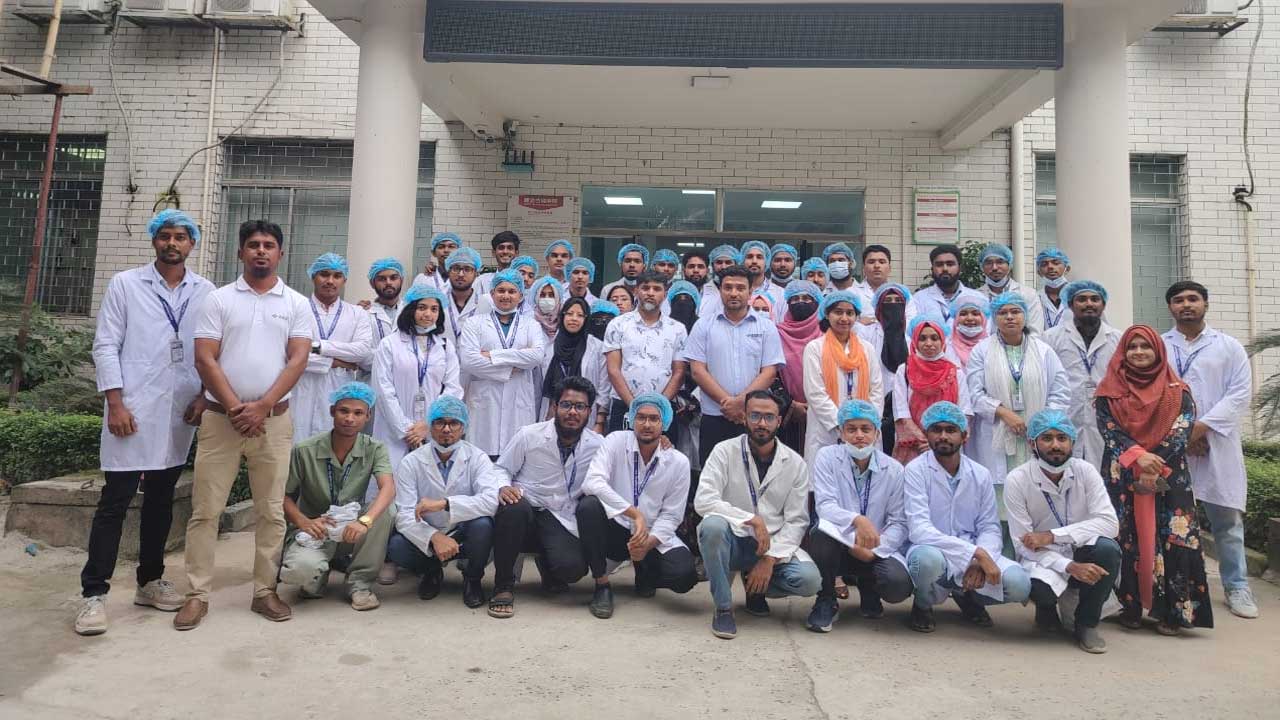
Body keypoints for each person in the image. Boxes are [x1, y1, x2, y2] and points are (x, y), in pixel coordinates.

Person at [77, 209, 215, 636]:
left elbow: (214, 349)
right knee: (115, 501)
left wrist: (204, 397)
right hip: (132, 408)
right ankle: (93, 594)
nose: (172, 243)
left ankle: (150, 580)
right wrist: (115, 403)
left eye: (181, 237)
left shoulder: (206, 291)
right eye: (165, 236)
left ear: (192, 244)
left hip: (178, 412)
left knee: (160, 498)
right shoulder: (126, 284)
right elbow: (106, 345)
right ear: (154, 241)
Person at [178, 220, 313, 630]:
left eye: (269, 245)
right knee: (206, 510)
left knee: (271, 511)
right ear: (240, 252)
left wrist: (263, 406)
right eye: (253, 244)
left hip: (274, 422)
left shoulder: (295, 303)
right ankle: (197, 595)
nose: (261, 251)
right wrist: (238, 408)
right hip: (222, 421)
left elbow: (298, 359)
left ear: (280, 254)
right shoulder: (219, 300)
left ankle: (264, 591)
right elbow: (205, 357)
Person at [1097, 324, 1214, 633]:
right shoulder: (1109, 390)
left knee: (1172, 538)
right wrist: (1137, 455)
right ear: (1123, 352)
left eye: (1145, 346)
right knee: (1125, 536)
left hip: (1168, 472)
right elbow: (1107, 428)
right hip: (1123, 473)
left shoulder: (1177, 390)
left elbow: (1182, 429)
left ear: (1158, 351)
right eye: (1132, 347)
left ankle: (1172, 613)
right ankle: (1129, 606)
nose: (1138, 352)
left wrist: (1152, 460)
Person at [1162, 281, 1256, 618]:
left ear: (1205, 304)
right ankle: (1177, 585)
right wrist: (1183, 433)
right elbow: (1151, 392)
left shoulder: (1228, 347)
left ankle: (1237, 586)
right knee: (1172, 520)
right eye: (1178, 300)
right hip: (1171, 443)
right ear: (1170, 307)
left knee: (1226, 520)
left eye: (1193, 299)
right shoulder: (1160, 345)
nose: (1186, 305)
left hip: (1217, 442)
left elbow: (1239, 394)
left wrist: (1200, 428)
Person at [696, 391, 821, 639]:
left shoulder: (795, 463)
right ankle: (723, 608)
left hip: (770, 544)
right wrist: (750, 519)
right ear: (744, 417)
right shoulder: (724, 451)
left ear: (779, 421)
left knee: (809, 581)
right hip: (733, 539)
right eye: (755, 416)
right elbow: (704, 500)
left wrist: (770, 559)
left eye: (769, 417)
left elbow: (797, 521)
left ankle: (756, 589)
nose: (762, 423)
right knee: (712, 527)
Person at [902, 401, 1031, 633]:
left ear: (964, 435)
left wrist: (981, 560)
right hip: (934, 551)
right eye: (936, 430)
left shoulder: (980, 474)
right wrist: (975, 554)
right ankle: (922, 604)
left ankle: (969, 597)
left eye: (951, 430)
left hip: (974, 553)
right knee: (925, 561)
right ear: (927, 434)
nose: (943, 436)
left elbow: (989, 527)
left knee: (1019, 584)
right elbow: (919, 529)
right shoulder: (915, 470)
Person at [1004, 410, 1120, 654]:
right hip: (1042, 557)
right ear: (1032, 443)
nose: (1055, 445)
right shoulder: (1017, 480)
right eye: (1047, 438)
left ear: (1072, 442)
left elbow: (1110, 523)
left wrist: (1052, 535)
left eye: (1062, 438)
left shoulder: (1086, 471)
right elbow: (1022, 544)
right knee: (1040, 589)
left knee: (1108, 550)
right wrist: (1069, 566)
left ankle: (1087, 624)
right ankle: (1045, 609)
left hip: (1080, 549)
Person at [488, 376, 604, 618]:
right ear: (554, 406)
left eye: (580, 406)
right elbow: (501, 468)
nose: (572, 412)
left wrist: (663, 440)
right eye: (566, 405)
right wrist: (503, 487)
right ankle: (503, 585)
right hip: (527, 509)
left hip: (560, 515)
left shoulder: (597, 445)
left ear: (589, 411)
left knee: (572, 569)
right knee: (513, 507)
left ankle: (548, 565)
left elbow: (626, 450)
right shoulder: (529, 435)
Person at [964, 291, 1070, 555]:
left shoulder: (1043, 350)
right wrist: (1003, 413)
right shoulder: (982, 351)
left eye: (1015, 312)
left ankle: (1035, 559)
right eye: (1003, 313)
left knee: (1034, 498)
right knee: (999, 503)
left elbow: (1060, 391)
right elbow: (974, 394)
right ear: (995, 318)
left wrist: (1042, 425)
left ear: (1025, 315)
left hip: (1034, 437)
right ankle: (1003, 558)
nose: (1010, 317)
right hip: (996, 436)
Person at [577, 393, 697, 618]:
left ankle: (644, 571)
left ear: (664, 423)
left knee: (684, 576)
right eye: (641, 417)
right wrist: (634, 514)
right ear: (632, 419)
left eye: (654, 419)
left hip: (649, 534)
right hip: (616, 528)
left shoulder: (678, 462)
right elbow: (592, 482)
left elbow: (672, 515)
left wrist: (647, 545)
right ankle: (602, 586)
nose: (647, 424)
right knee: (588, 506)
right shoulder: (615, 441)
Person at [279, 383, 395, 611]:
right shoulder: (305, 450)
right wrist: (303, 521)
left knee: (386, 511)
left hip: (351, 529)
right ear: (332, 411)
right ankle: (317, 573)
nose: (350, 418)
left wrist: (365, 521)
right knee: (301, 574)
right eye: (344, 411)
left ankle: (360, 584)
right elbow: (283, 496)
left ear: (367, 417)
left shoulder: (374, 448)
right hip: (315, 530)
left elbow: (388, 488)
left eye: (358, 413)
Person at [806, 400, 914, 632]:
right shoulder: (826, 457)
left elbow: (899, 522)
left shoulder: (894, 469)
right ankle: (826, 598)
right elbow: (825, 506)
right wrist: (858, 520)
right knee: (819, 535)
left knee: (898, 585)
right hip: (839, 542)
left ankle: (869, 586)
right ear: (841, 432)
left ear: (877, 433)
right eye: (851, 429)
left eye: (866, 429)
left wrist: (875, 550)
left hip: (875, 545)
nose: (859, 436)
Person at [389, 396, 498, 608]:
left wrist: (444, 504)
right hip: (429, 530)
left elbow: (490, 502)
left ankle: (473, 579)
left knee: (483, 525)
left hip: (464, 530)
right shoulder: (411, 462)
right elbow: (404, 515)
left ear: (463, 427)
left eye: (454, 423)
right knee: (397, 547)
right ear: (430, 426)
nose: (447, 429)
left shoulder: (478, 458)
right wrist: (434, 537)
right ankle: (431, 571)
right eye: (440, 422)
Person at [685, 266, 785, 467]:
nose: (733, 293)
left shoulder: (766, 327)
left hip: (754, 418)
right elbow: (697, 370)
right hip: (714, 415)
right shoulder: (704, 325)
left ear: (750, 291)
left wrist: (741, 403)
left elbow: (769, 372)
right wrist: (728, 404)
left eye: (740, 288)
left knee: (754, 474)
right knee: (713, 475)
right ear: (720, 290)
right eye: (728, 287)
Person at [371, 284, 463, 469]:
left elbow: (453, 389)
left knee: (429, 480)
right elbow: (383, 390)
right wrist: (408, 431)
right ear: (410, 309)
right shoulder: (389, 344)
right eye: (422, 307)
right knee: (391, 479)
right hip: (393, 429)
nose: (428, 314)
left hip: (432, 429)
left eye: (434, 309)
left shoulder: (445, 346)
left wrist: (428, 424)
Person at [458, 269, 548, 458]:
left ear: (521, 296)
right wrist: (512, 367)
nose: (506, 296)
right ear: (492, 294)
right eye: (501, 290)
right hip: (485, 407)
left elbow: (537, 356)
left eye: (512, 291)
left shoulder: (531, 325)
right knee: (481, 463)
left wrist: (492, 355)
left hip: (518, 404)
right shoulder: (473, 323)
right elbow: (469, 361)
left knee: (515, 462)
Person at [293, 253, 373, 443]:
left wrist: (317, 346)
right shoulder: (296, 309)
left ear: (344, 280)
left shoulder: (357, 314)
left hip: (340, 390)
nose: (330, 281)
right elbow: (290, 355)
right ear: (313, 276)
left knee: (333, 449)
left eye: (337, 276)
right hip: (300, 388)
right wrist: (336, 362)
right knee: (296, 447)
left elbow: (362, 351)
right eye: (324, 274)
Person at [801, 291, 883, 469]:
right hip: (827, 429)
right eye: (838, 312)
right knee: (827, 477)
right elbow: (815, 393)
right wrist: (842, 425)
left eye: (850, 313)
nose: (844, 318)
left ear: (856, 316)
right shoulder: (814, 348)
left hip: (863, 431)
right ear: (827, 314)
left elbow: (876, 389)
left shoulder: (867, 349)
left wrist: (867, 423)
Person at [1043, 280, 1120, 467]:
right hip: (1065, 413)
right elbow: (1044, 379)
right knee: (1065, 470)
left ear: (1103, 305)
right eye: (1082, 299)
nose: (1089, 304)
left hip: (1105, 416)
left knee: (1103, 472)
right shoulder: (1051, 337)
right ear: (1070, 304)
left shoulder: (1117, 338)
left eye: (1095, 299)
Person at [602, 271, 687, 433]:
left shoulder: (677, 329)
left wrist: (659, 407)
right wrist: (635, 406)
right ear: (636, 291)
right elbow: (613, 370)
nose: (650, 293)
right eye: (645, 288)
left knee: (664, 450)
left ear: (665, 294)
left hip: (663, 409)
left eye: (657, 289)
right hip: (624, 404)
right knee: (621, 448)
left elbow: (679, 373)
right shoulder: (618, 324)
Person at [893, 315, 970, 465]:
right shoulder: (904, 370)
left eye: (934, 338)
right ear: (915, 341)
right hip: (915, 446)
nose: (929, 343)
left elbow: (964, 412)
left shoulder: (955, 373)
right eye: (922, 338)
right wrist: (925, 440)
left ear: (942, 341)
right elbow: (901, 413)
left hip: (948, 444)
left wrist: (938, 440)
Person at [859, 283, 910, 452]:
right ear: (879, 306)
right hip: (873, 402)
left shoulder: (911, 339)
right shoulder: (865, 334)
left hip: (904, 407)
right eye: (888, 301)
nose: (893, 305)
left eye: (898, 301)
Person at [542, 297, 609, 421]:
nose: (574, 318)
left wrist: (600, 420)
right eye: (569, 314)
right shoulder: (549, 346)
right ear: (562, 316)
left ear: (586, 319)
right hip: (553, 413)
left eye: (580, 315)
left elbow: (603, 388)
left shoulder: (597, 347)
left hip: (585, 413)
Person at [776, 281, 824, 454]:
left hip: (822, 411)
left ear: (817, 303)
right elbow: (770, 372)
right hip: (788, 414)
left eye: (806, 298)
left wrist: (816, 404)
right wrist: (790, 404)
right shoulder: (777, 333)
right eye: (795, 299)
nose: (800, 302)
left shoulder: (827, 332)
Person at [906, 244, 984, 325]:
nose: (945, 269)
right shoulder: (919, 299)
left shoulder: (978, 298)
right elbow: (912, 330)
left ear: (960, 268)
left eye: (950, 264)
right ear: (932, 269)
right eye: (939, 265)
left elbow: (985, 329)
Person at [976, 243, 1044, 334]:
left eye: (1000, 262)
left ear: (1010, 264)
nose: (994, 267)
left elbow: (1035, 331)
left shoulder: (1028, 294)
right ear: (981, 266)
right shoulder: (975, 296)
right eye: (988, 263)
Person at [440, 246, 485, 346]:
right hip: (442, 355)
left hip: (473, 356)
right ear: (448, 271)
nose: (460, 274)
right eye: (456, 268)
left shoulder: (485, 304)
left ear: (476, 273)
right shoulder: (437, 301)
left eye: (467, 269)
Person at [364, 257, 405, 348]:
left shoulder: (412, 310)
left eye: (393, 278)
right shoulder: (364, 313)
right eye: (382, 279)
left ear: (401, 281)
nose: (388, 282)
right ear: (372, 283)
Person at [740, 240, 785, 320]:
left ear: (766, 261)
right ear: (742, 261)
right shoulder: (735, 292)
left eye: (759, 257)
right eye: (749, 257)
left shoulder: (780, 294)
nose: (754, 261)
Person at [698, 244, 743, 318]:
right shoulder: (702, 290)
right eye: (719, 262)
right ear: (712, 265)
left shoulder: (744, 289)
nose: (723, 267)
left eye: (728, 262)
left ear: (736, 264)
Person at [853, 244, 893, 324]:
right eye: (871, 262)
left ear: (889, 268)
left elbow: (910, 321)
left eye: (882, 262)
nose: (877, 266)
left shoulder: (902, 294)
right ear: (864, 268)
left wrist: (873, 321)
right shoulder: (852, 293)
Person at [1036, 248, 1072, 330]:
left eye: (1056, 263)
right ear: (1039, 272)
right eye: (1044, 264)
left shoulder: (1079, 295)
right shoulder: (1034, 298)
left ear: (1067, 269)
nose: (1050, 267)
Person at [476, 230, 521, 296]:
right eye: (501, 248)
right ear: (493, 252)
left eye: (510, 248)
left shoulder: (524, 280)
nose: (505, 251)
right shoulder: (482, 281)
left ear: (516, 253)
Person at [949, 295, 989, 368]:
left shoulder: (993, 346)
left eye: (975, 314)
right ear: (956, 319)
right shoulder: (946, 346)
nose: (969, 318)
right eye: (963, 314)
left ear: (984, 319)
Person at [530, 276, 565, 342]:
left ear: (558, 297)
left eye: (551, 295)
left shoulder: (565, 318)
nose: (546, 299)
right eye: (542, 295)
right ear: (536, 297)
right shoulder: (530, 320)